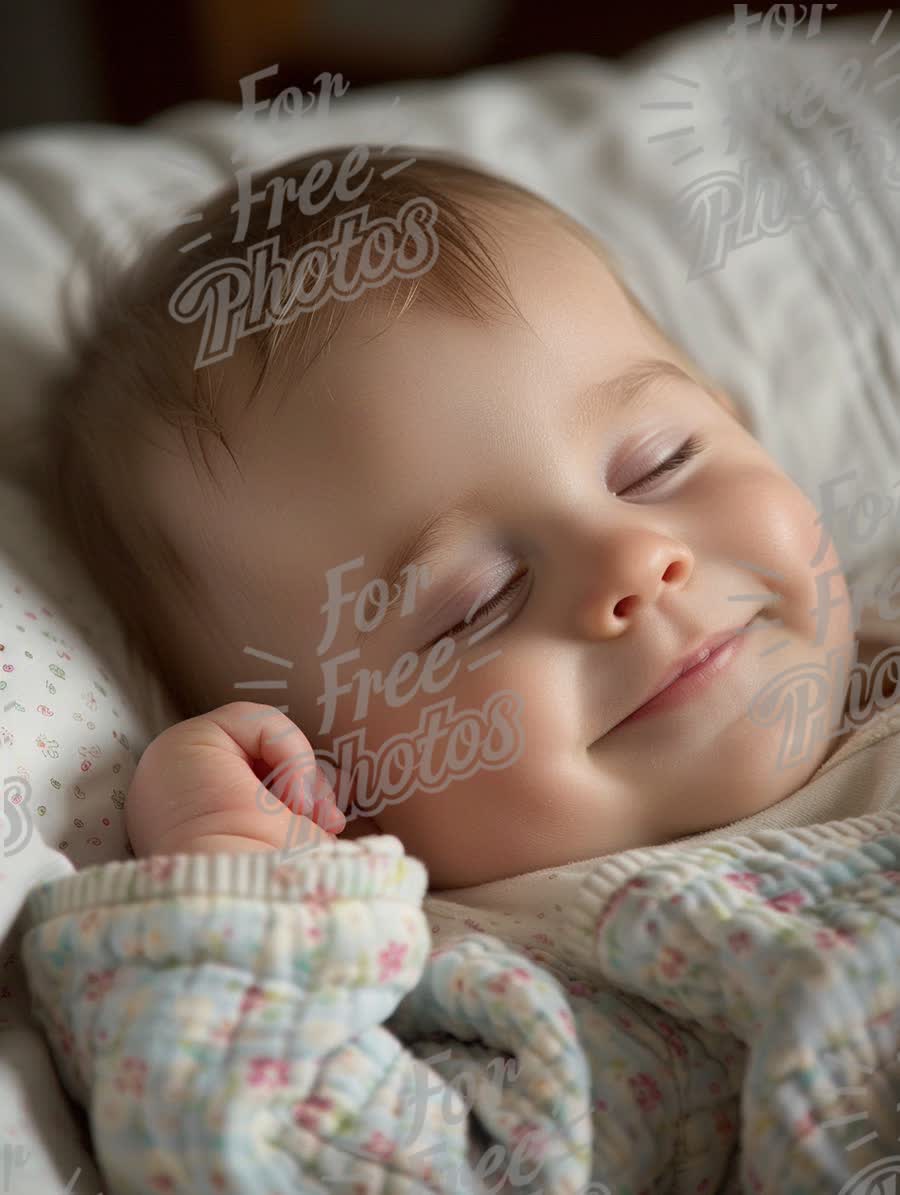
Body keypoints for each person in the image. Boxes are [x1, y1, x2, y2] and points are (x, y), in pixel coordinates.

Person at [21, 145, 900, 1192]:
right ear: (328, 782)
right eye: (475, 605)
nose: (634, 562)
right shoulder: (544, 1004)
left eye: (659, 461)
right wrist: (249, 901)